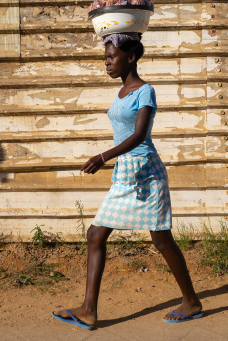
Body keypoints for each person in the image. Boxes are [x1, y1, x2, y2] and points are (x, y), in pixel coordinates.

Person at [52, 33, 203, 328]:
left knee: (161, 238)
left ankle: (192, 302)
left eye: (112, 57)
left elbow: (138, 136)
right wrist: (110, 159)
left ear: (130, 58)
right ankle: (88, 310)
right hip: (125, 173)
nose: (107, 63)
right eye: (105, 58)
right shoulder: (121, 92)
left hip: (147, 172)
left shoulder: (145, 91)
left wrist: (102, 156)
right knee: (96, 234)